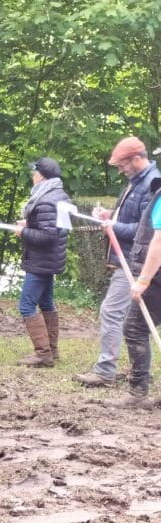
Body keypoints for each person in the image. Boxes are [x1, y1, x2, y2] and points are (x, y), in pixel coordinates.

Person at [74, 137, 160, 387]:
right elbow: (135, 217)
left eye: (122, 164)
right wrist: (111, 216)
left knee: (113, 312)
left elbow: (145, 230)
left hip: (136, 260)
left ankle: (106, 370)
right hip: (134, 259)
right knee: (130, 320)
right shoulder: (136, 182)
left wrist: (114, 226)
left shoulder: (151, 184)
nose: (120, 169)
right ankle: (136, 370)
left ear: (136, 158)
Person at [110, 146, 161, 408]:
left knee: (134, 327)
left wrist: (144, 279)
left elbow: (159, 242)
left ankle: (138, 392)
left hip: (157, 278)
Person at [13, 157, 71, 367]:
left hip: (41, 261)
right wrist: (29, 223)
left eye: (34, 172)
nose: (32, 175)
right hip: (49, 260)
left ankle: (43, 353)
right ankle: (52, 351)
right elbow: (51, 227)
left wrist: (24, 231)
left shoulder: (46, 199)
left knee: (26, 305)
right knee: (46, 303)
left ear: (41, 175)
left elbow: (48, 236)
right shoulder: (59, 195)